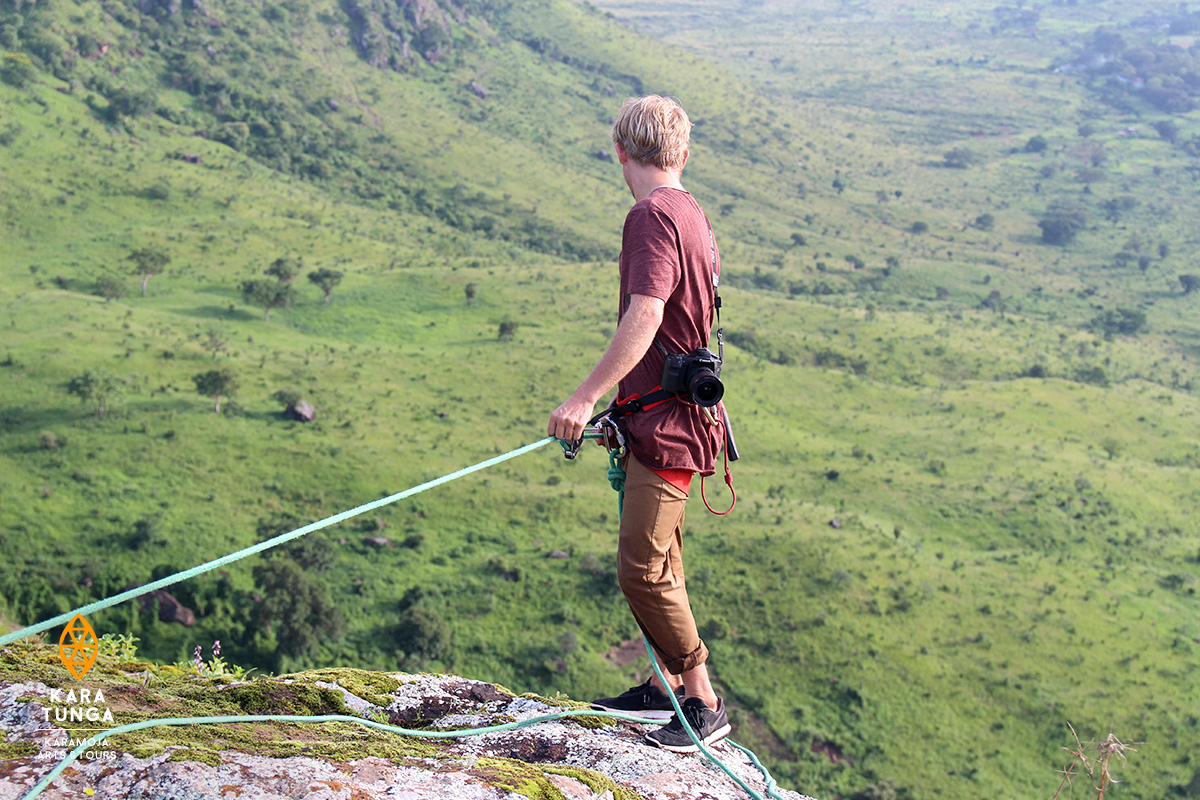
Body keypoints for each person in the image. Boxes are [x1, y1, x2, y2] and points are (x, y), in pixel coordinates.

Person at [547, 94, 730, 753]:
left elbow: (647, 314)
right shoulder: (690, 211)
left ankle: (703, 700)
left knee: (642, 569)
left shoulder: (651, 215)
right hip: (676, 416)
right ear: (683, 153)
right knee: (666, 563)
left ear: (619, 150)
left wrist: (584, 398)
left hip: (666, 424)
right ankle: (667, 691)